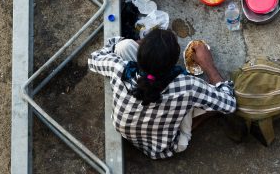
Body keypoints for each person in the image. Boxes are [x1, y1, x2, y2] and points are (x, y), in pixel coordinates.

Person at [88, 29, 236, 159]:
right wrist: (208, 64)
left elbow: (93, 58)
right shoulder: (188, 86)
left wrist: (142, 46)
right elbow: (229, 103)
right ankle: (198, 123)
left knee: (123, 46)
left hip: (126, 130)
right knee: (201, 101)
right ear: (173, 65)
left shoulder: (120, 69)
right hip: (160, 148)